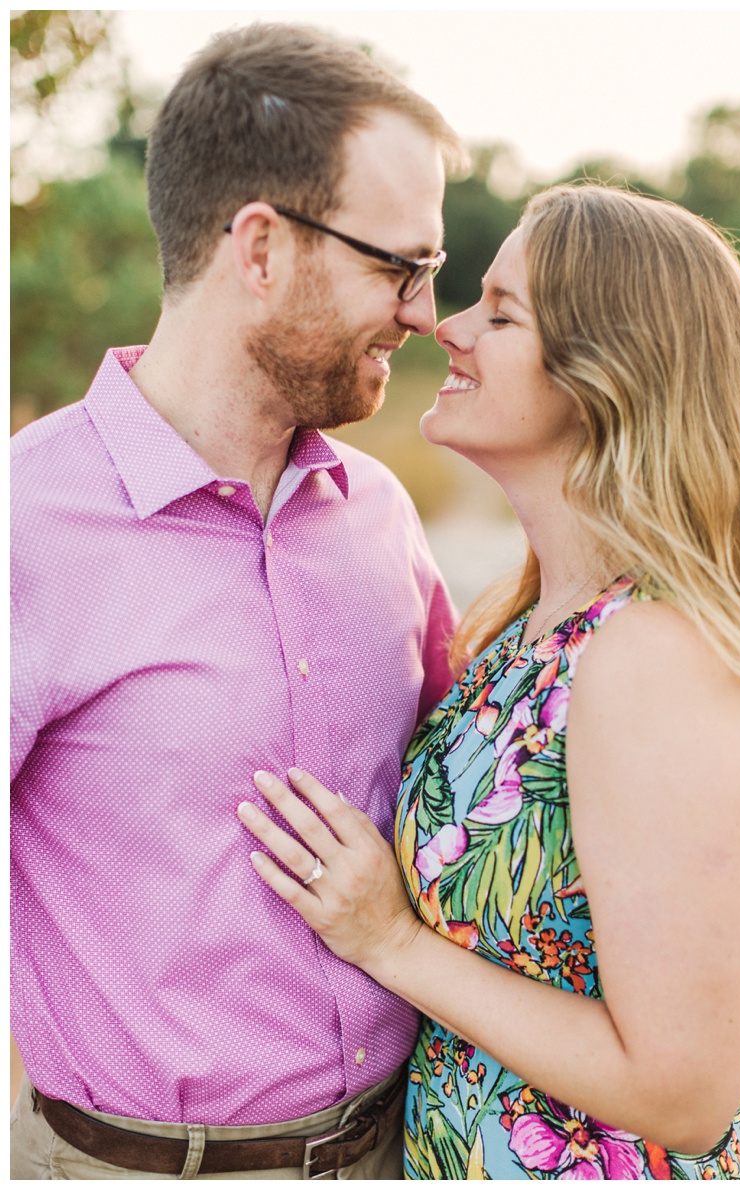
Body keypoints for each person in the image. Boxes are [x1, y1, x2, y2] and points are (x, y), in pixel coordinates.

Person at [237, 183, 740, 1180]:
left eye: (498, 312)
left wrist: (389, 940)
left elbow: (683, 1091)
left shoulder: (652, 656)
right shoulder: (528, 620)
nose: (444, 328)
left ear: (607, 369)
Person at [10, 22, 467, 1180]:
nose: (422, 311)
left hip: (405, 1148)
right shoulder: (24, 525)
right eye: (397, 264)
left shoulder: (380, 510)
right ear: (258, 246)